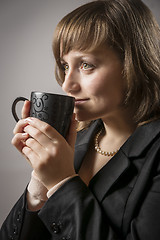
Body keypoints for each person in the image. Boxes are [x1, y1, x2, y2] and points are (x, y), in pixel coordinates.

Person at [1, 0, 160, 239]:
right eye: (65, 66)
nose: (66, 84)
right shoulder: (74, 139)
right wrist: (39, 186)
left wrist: (61, 182)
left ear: (133, 64)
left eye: (86, 65)